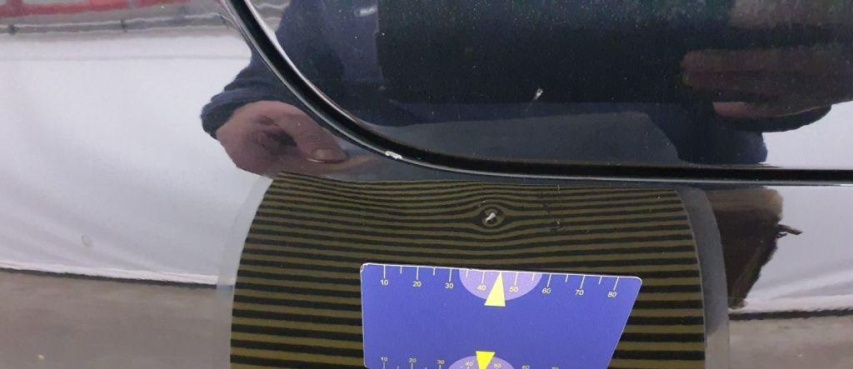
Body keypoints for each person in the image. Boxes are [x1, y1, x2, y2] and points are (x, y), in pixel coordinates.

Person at [202, 0, 853, 176]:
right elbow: (284, 70)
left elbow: (775, 80)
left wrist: (803, 80)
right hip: (414, 232)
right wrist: (247, 110)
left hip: (670, 220)